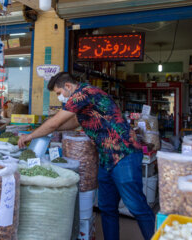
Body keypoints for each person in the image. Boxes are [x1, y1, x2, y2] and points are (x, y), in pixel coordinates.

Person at [18, 72, 155, 240]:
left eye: (59, 93)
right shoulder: (83, 101)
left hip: (124, 154)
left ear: (68, 87)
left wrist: (30, 136)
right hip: (106, 158)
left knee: (137, 207)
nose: (59, 97)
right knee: (107, 208)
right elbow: (73, 122)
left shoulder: (83, 93)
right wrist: (50, 130)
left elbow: (54, 122)